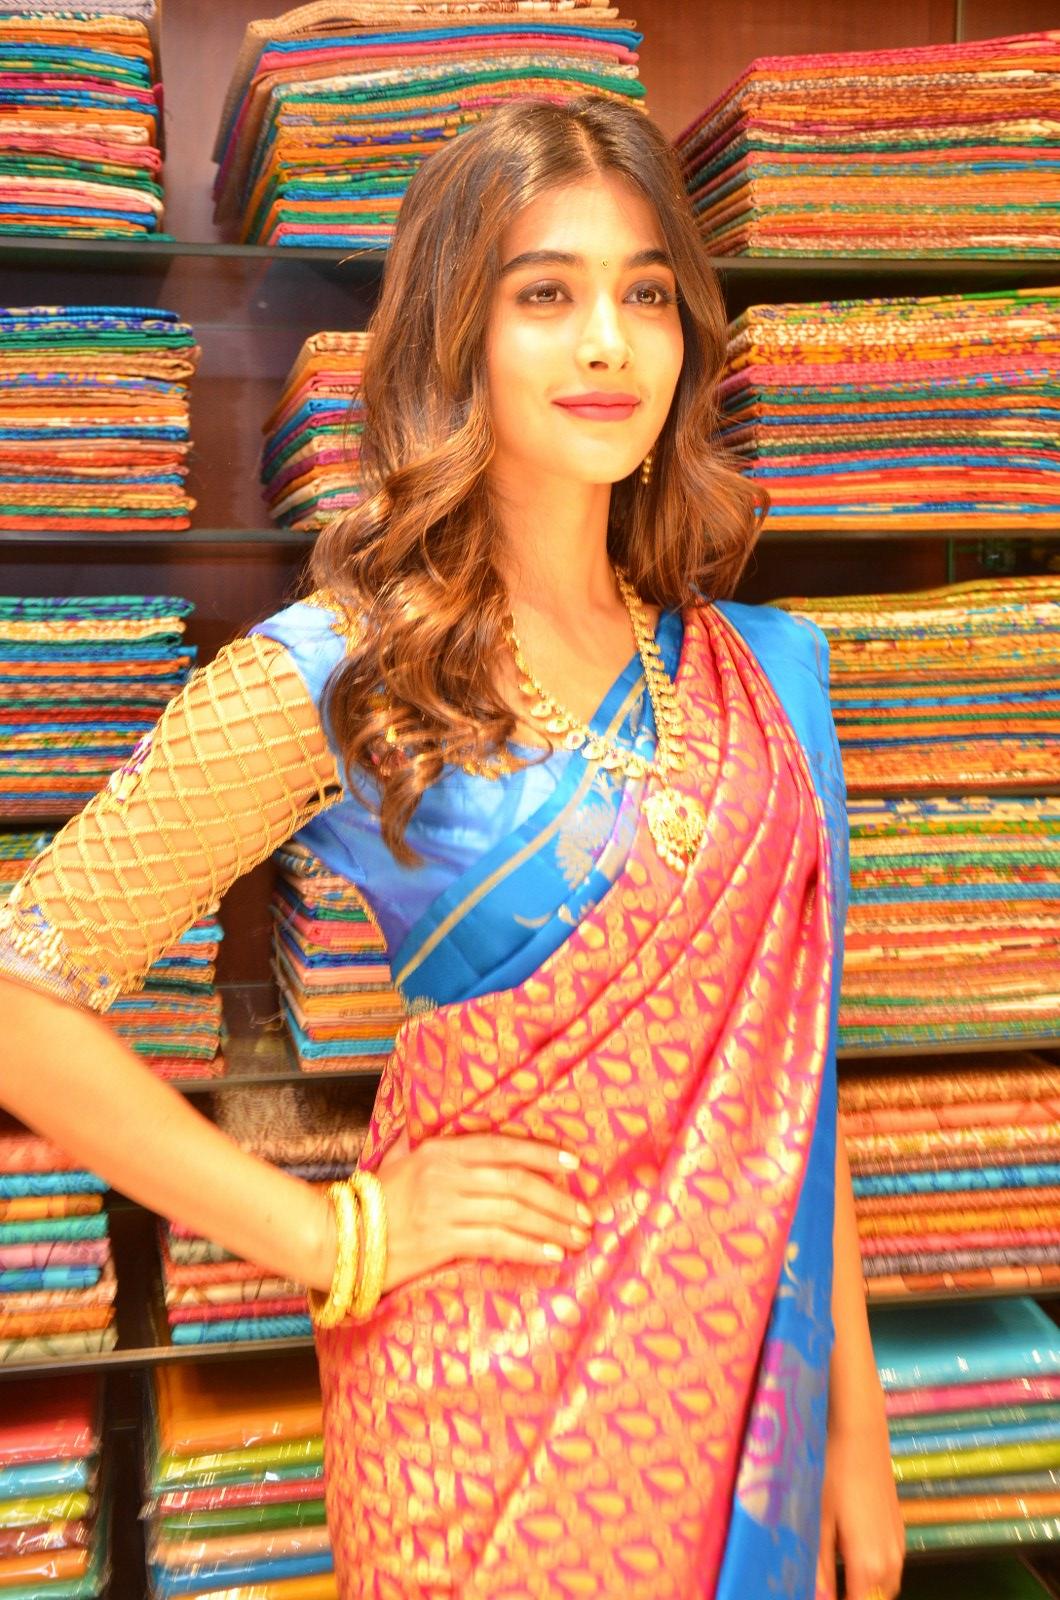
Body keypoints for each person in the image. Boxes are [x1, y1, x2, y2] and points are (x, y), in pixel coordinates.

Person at [0, 94, 904, 1600]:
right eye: (545, 294)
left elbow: (790, 1086)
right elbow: (21, 1001)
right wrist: (331, 1235)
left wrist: (855, 1431)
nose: (607, 344)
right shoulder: (345, 672)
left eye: (646, 296)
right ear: (451, 337)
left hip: (751, 1386)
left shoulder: (762, 673)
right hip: (477, 1396)